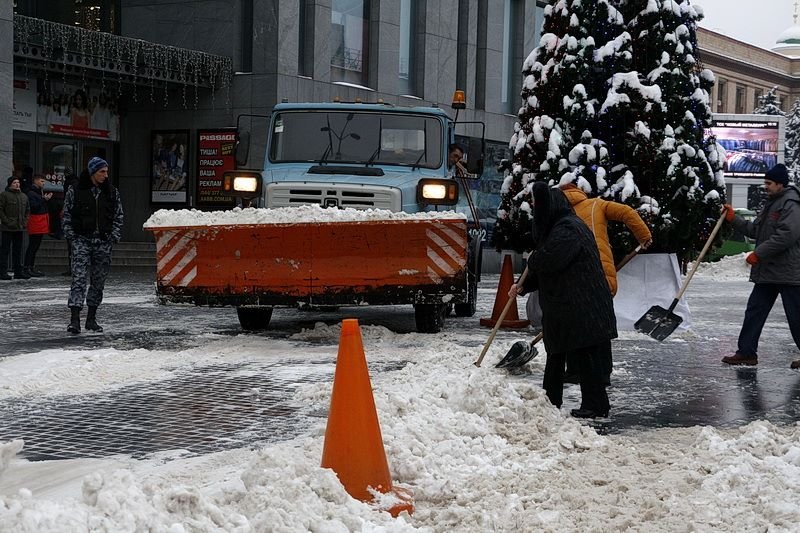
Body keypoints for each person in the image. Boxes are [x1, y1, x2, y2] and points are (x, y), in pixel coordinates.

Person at [509, 182, 618, 418]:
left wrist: (534, 260)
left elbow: (550, 260)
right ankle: (551, 399)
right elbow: (544, 269)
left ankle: (595, 405)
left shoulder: (569, 229)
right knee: (556, 351)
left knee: (586, 356)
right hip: (569, 306)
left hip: (584, 306)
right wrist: (523, 286)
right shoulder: (558, 228)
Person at [720, 163, 800, 369]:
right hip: (769, 272)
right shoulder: (771, 204)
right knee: (754, 310)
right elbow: (756, 230)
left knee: (796, 315)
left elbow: (786, 236)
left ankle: (746, 351)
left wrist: (758, 253)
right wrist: (733, 219)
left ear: (780, 184)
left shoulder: (791, 204)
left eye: (769, 183)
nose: (765, 186)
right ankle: (746, 352)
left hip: (788, 271)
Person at [62, 158, 124, 334]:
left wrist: (114, 236)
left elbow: (119, 215)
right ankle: (74, 319)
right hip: (82, 239)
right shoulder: (76, 190)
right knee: (79, 279)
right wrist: (71, 236)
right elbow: (66, 213)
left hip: (103, 241)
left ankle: (91, 318)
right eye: (101, 172)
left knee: (98, 281)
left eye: (106, 171)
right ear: (92, 172)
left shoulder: (111, 192)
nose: (105, 175)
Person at [0, 176, 31, 280]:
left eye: (18, 182)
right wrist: (7, 222)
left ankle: (18, 271)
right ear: (10, 184)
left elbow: (27, 210)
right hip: (7, 228)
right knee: (5, 250)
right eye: (14, 182)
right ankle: (2, 272)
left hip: (19, 227)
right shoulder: (4, 195)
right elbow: (1, 210)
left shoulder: (24, 196)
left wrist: (25, 222)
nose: (17, 184)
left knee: (18, 250)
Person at [24, 174, 53, 277]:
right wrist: (44, 199)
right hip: (36, 221)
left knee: (35, 246)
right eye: (41, 181)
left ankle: (30, 267)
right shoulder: (32, 193)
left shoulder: (37, 192)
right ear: (35, 181)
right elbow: (34, 207)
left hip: (40, 221)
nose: (43, 183)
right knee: (33, 246)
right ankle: (27, 267)